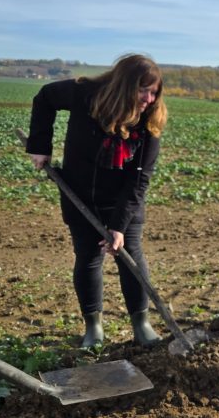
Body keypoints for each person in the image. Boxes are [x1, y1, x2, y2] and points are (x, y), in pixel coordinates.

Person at [26, 54, 167, 348]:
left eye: (154, 92)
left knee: (131, 259)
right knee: (88, 258)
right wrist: (40, 146)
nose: (149, 98)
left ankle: (142, 325)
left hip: (123, 203)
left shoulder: (148, 124)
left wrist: (118, 226)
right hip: (80, 196)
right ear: (125, 85)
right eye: (143, 89)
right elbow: (44, 98)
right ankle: (94, 329)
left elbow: (138, 181)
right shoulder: (84, 94)